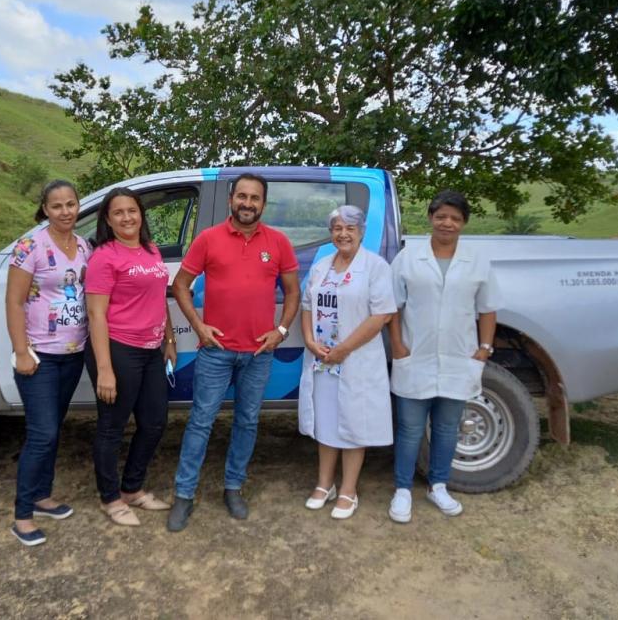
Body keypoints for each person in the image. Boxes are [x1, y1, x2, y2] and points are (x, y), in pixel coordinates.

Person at [167, 172, 300, 532]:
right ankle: (184, 494)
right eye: (241, 196)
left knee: (247, 421)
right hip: (216, 351)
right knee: (200, 421)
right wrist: (198, 326)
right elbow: (180, 286)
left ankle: (233, 487)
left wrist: (281, 330)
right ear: (231, 200)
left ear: (263, 204)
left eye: (254, 198)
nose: (247, 203)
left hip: (258, 353)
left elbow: (292, 293)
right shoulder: (209, 239)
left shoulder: (279, 242)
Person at [388, 189, 502, 523]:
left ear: (463, 222)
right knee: (409, 428)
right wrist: (397, 345)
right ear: (430, 218)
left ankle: (438, 485)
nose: (447, 223)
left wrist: (484, 350)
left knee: (447, 427)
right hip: (414, 355)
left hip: (459, 357)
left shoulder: (477, 260)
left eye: (454, 218)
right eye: (441, 217)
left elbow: (488, 309)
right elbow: (393, 306)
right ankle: (402, 489)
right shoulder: (408, 258)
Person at [85, 187, 177, 526]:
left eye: (132, 211)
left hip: (152, 349)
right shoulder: (104, 257)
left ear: (141, 214)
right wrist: (105, 370)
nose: (127, 217)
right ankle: (110, 498)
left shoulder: (151, 250)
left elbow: (159, 299)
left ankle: (132, 490)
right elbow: (96, 315)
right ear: (108, 219)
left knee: (154, 423)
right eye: (119, 212)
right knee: (112, 427)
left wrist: (168, 338)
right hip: (118, 349)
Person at [6, 179, 90, 546]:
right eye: (57, 206)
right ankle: (22, 515)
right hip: (39, 357)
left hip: (72, 354)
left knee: (53, 429)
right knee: (42, 434)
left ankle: (42, 497)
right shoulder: (30, 246)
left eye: (71, 204)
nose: (66, 211)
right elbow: (14, 301)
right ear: (44, 209)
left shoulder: (83, 245)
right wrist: (22, 351)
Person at [298, 205, 396, 519]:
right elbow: (307, 306)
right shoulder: (322, 266)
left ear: (362, 231)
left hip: (355, 359)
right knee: (326, 420)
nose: (343, 234)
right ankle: (324, 484)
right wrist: (310, 341)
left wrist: (344, 349)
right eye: (337, 228)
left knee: (353, 422)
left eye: (350, 228)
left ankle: (348, 491)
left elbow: (382, 315)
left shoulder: (376, 267)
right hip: (323, 360)